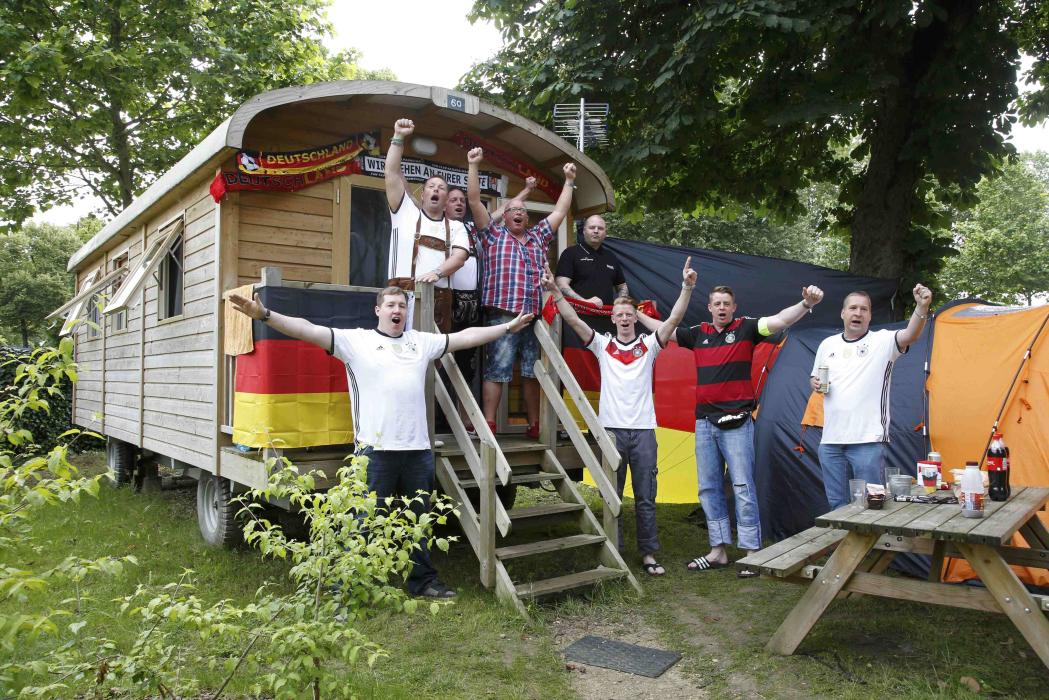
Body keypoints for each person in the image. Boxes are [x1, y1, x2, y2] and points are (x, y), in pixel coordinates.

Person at [227, 286, 533, 599]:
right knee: (363, 521)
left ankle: (422, 581)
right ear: (379, 310)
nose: (396, 310)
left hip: (417, 452)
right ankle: (347, 583)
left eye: (401, 305)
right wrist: (264, 315)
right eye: (390, 305)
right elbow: (307, 329)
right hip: (374, 453)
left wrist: (508, 327)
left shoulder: (420, 342)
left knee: (420, 522)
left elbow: (466, 337)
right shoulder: (355, 341)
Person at [542, 257, 697, 576]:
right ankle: (613, 550)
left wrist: (686, 287)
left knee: (645, 497)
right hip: (610, 432)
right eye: (620, 314)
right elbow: (573, 321)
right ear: (612, 318)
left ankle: (649, 554)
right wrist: (557, 293)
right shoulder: (601, 345)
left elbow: (675, 319)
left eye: (629, 314)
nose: (625, 318)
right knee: (611, 497)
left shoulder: (650, 345)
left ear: (635, 318)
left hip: (643, 432)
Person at [677, 283, 824, 575]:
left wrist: (805, 303)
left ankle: (751, 552)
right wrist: (637, 313)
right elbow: (666, 328)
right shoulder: (698, 333)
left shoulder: (747, 328)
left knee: (742, 487)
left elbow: (781, 319)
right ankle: (717, 551)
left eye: (726, 303)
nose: (721, 308)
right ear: (709, 308)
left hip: (738, 422)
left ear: (733, 307)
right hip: (704, 422)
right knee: (708, 489)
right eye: (716, 303)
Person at [467, 146, 577, 439]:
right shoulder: (491, 234)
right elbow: (475, 199)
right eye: (513, 210)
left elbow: (560, 210)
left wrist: (568, 181)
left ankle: (534, 424)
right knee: (497, 371)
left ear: (527, 220)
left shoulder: (538, 237)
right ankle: (488, 424)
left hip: (532, 318)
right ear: (504, 217)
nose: (519, 213)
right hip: (501, 317)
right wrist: (474, 165)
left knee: (531, 372)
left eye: (523, 212)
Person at [811, 285, 932, 510]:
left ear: (869, 316)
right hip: (830, 441)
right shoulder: (827, 345)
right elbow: (816, 379)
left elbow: (911, 334)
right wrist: (815, 383)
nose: (858, 313)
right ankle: (843, 545)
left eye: (864, 309)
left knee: (871, 505)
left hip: (868, 440)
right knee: (837, 504)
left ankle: (871, 547)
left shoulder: (883, 341)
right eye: (853, 308)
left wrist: (921, 307)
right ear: (843, 313)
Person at [445, 177, 536, 435]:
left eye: (462, 201)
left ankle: (467, 423)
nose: (459, 204)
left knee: (467, 365)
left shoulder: (474, 229)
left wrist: (527, 190)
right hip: (440, 302)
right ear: (444, 206)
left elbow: (501, 212)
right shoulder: (437, 226)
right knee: (438, 362)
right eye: (454, 200)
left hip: (472, 305)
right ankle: (434, 424)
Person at [385, 118, 469, 287]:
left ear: (446, 201)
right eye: (431, 186)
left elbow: (459, 257)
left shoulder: (456, 227)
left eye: (441, 188)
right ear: (423, 195)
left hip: (441, 301)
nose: (436, 189)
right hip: (402, 295)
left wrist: (436, 273)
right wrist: (398, 137)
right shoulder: (404, 211)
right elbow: (391, 173)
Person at [554, 215, 628, 306]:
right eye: (592, 227)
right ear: (584, 231)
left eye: (600, 228)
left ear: (605, 233)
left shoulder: (611, 256)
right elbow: (561, 285)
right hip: (578, 315)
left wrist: (621, 304)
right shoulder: (570, 253)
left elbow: (622, 286)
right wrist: (584, 302)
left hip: (607, 316)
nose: (596, 231)